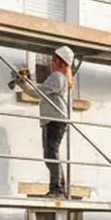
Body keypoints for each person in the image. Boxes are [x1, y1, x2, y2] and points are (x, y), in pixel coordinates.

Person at [24, 46, 74, 198]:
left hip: (55, 119)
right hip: (54, 119)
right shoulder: (61, 77)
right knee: (51, 154)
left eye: (54, 60)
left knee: (51, 154)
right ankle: (60, 187)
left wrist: (24, 83)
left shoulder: (58, 76)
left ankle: (57, 189)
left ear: (60, 63)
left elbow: (38, 91)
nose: (51, 63)